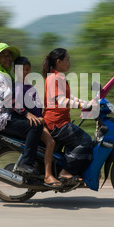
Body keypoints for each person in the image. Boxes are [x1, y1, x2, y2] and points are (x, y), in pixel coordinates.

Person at [0, 43, 43, 174]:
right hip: (3, 118)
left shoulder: (6, 75)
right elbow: (9, 100)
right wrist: (28, 114)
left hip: (10, 115)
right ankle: (26, 162)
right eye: (3, 55)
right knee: (35, 126)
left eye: (9, 55)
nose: (7, 58)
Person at [42, 48, 94, 181]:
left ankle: (74, 170)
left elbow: (70, 97)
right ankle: (66, 172)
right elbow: (61, 101)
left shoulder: (58, 77)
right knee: (85, 140)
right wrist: (83, 105)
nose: (69, 62)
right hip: (56, 123)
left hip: (61, 121)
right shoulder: (54, 78)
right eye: (67, 59)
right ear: (59, 61)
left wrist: (86, 103)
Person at [14, 56, 62, 188]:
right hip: (32, 122)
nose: (26, 72)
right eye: (22, 70)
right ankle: (48, 175)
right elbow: (18, 106)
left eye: (28, 69)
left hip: (41, 120)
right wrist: (30, 116)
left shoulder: (29, 86)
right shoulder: (19, 87)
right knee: (51, 142)